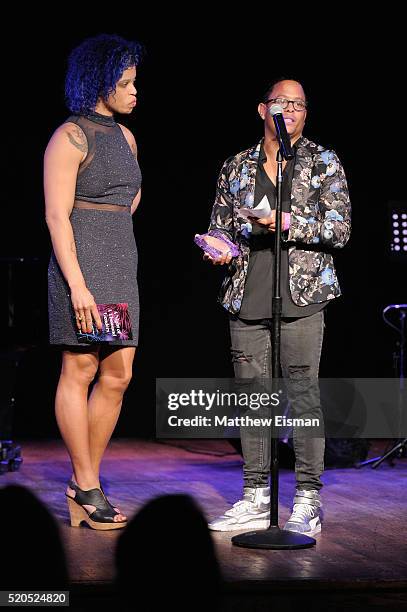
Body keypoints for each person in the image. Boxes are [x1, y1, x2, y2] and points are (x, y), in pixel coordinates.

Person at [204, 78, 351, 535]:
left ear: (306, 113)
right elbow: (220, 225)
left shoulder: (323, 162)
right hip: (248, 294)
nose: (288, 110)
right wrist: (219, 247)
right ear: (262, 109)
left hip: (303, 296)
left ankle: (308, 498)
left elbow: (340, 229)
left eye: (297, 104)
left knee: (303, 396)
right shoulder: (237, 166)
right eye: (279, 102)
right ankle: (255, 495)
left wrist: (289, 221)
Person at [44, 34, 143, 529]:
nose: (134, 90)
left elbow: (130, 197)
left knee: (118, 375)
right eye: (125, 82)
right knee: (80, 369)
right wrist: (78, 286)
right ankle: (86, 486)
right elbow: (58, 217)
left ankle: (88, 479)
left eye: (134, 81)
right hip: (81, 267)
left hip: (120, 262)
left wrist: (113, 224)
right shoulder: (69, 136)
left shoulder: (125, 137)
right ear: (100, 81)